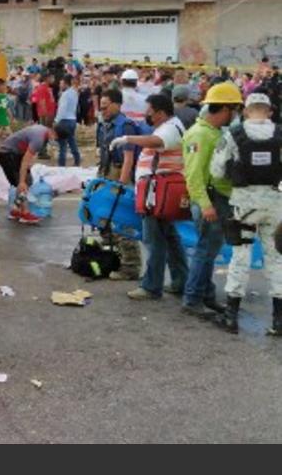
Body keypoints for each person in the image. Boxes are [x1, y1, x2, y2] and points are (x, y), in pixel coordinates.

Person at [209, 93, 282, 335]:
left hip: (245, 206)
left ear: (247, 111)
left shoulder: (233, 134)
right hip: (275, 205)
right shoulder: (280, 134)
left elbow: (217, 171)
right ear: (269, 111)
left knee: (240, 258)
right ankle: (279, 321)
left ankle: (231, 317)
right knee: (276, 259)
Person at [110, 95, 187, 301]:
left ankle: (152, 286)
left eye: (149, 111)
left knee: (154, 240)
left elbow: (158, 142)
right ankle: (181, 281)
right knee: (169, 238)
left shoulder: (170, 128)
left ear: (160, 112)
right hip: (157, 191)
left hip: (157, 193)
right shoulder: (170, 125)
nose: (147, 115)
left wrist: (128, 139)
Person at [180, 82, 243, 318]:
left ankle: (206, 295)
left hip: (216, 199)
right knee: (205, 251)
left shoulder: (214, 133)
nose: (235, 114)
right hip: (210, 200)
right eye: (234, 109)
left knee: (209, 250)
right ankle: (192, 298)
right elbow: (193, 175)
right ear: (226, 108)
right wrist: (205, 205)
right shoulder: (200, 134)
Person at [96, 89, 142, 280]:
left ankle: (130, 266)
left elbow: (128, 158)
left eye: (106, 107)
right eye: (101, 108)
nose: (103, 111)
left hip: (119, 172)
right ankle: (112, 258)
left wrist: (121, 185)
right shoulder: (104, 125)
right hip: (106, 171)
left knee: (121, 219)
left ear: (117, 104)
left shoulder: (126, 126)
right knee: (102, 218)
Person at [0, 124, 56, 224]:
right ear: (53, 132)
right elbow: (25, 161)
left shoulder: (43, 132)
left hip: (16, 154)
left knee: (28, 180)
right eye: (56, 138)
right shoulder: (39, 138)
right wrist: (22, 181)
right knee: (21, 182)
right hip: (7, 153)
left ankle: (16, 209)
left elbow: (29, 154)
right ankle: (24, 212)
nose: (54, 140)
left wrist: (28, 166)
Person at [54, 74, 81, 167]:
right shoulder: (74, 92)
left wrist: (56, 121)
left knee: (62, 145)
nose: (60, 85)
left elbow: (62, 109)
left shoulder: (65, 94)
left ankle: (61, 166)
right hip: (72, 120)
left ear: (65, 83)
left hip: (64, 121)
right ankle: (77, 159)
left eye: (61, 83)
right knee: (72, 141)